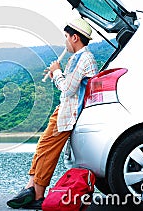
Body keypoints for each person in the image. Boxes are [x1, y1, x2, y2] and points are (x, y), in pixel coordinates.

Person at [7, 17, 98, 210]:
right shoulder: (79, 58)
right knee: (43, 146)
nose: (65, 41)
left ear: (75, 38)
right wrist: (58, 73)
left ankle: (37, 196)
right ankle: (30, 187)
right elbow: (70, 85)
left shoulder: (83, 58)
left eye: (66, 37)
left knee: (48, 151)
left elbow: (67, 89)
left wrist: (57, 72)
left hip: (69, 113)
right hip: (63, 110)